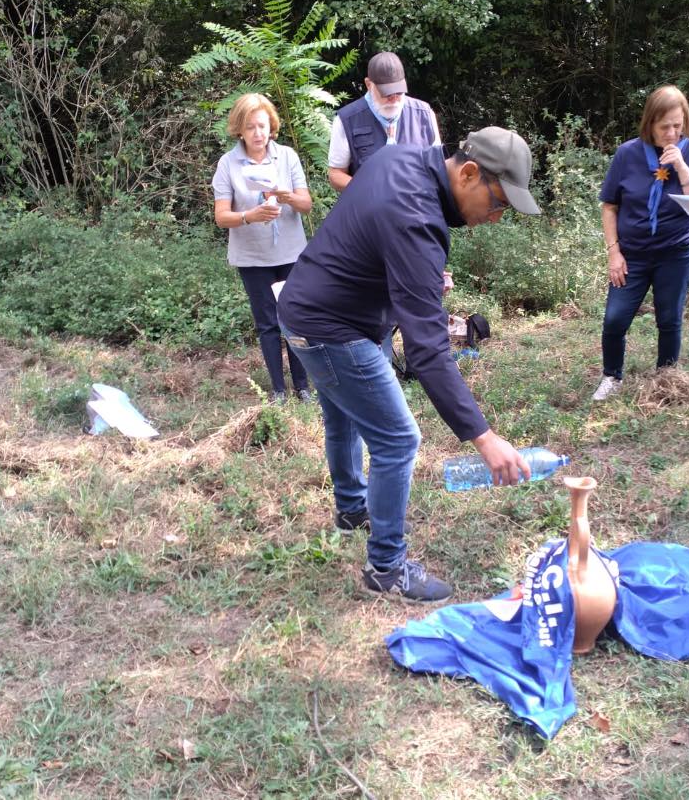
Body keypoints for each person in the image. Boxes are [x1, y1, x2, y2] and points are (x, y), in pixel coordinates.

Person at [278, 127, 541, 603]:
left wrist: (412, 274)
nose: (498, 218)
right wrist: (484, 437)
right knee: (398, 439)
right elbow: (427, 350)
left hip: (308, 305)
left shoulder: (402, 159)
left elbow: (371, 234)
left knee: (344, 415)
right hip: (332, 326)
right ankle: (386, 567)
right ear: (468, 173)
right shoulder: (416, 220)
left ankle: (352, 510)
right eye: (499, 203)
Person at [592, 85, 689, 401]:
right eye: (664, 127)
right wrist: (614, 252)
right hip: (632, 254)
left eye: (678, 125)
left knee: (669, 318)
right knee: (615, 318)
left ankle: (666, 382)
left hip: (676, 252)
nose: (672, 133)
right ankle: (611, 377)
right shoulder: (627, 154)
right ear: (650, 124)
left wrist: (682, 167)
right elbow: (609, 206)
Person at [212, 93, 313, 403]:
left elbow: (306, 204)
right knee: (268, 324)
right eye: (251, 127)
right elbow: (221, 217)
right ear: (239, 130)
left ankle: (303, 387)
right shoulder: (228, 164)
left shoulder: (287, 157)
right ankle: (278, 391)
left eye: (263, 126)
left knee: (295, 319)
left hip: (291, 253)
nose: (258, 133)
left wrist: (284, 196)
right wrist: (249, 216)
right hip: (253, 258)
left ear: (272, 127)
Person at [327, 51, 441, 192]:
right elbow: (335, 175)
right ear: (369, 85)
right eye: (387, 93)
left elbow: (437, 169)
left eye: (398, 92)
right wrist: (371, 189)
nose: (394, 98)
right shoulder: (347, 120)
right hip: (370, 208)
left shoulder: (425, 114)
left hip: (416, 207)